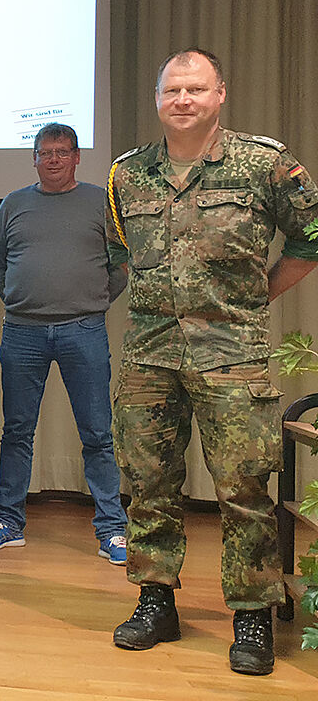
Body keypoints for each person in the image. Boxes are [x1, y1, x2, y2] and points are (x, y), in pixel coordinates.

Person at [107, 48, 318, 676]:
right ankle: (155, 601)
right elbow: (121, 249)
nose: (183, 100)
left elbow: (311, 237)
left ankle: (252, 614)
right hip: (149, 355)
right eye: (172, 90)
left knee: (244, 489)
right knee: (148, 485)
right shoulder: (127, 174)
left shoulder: (264, 163)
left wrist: (255, 296)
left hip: (233, 354)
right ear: (157, 99)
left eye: (195, 89)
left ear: (220, 94)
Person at [0, 122, 129, 564]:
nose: (54, 160)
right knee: (16, 431)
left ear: (77, 157)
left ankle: (112, 530)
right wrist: (27, 301)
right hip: (23, 332)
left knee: (97, 433)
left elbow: (120, 265)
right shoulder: (13, 204)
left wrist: (91, 301)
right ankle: (8, 523)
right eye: (46, 152)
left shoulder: (100, 202)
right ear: (34, 159)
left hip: (84, 329)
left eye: (63, 152)